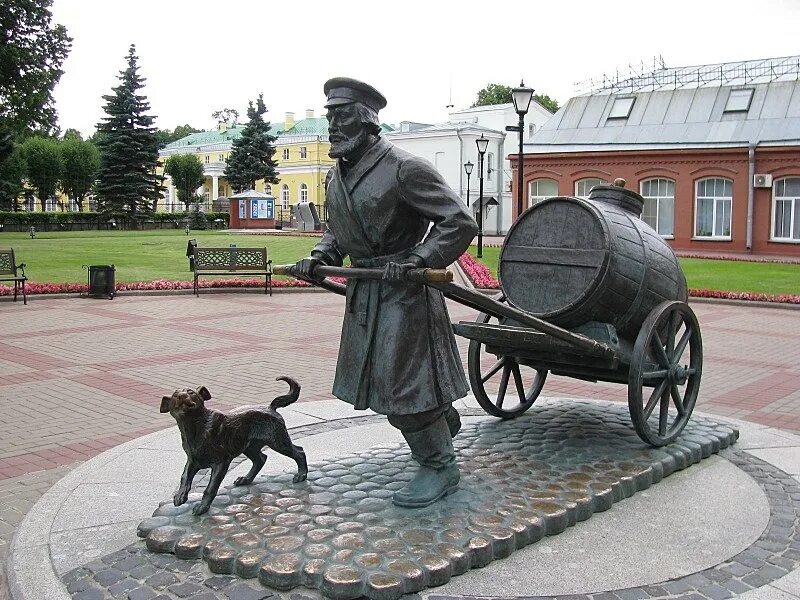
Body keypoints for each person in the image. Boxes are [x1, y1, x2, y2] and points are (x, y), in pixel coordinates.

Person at [294, 77, 478, 508]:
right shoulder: (334, 176)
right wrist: (318, 255)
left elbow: (459, 222)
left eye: (340, 117)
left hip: (404, 292)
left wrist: (418, 259)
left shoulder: (404, 168)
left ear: (365, 121)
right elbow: (338, 230)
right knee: (382, 381)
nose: (332, 127)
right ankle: (440, 418)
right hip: (366, 293)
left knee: (402, 386)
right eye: (329, 118)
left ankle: (439, 466)